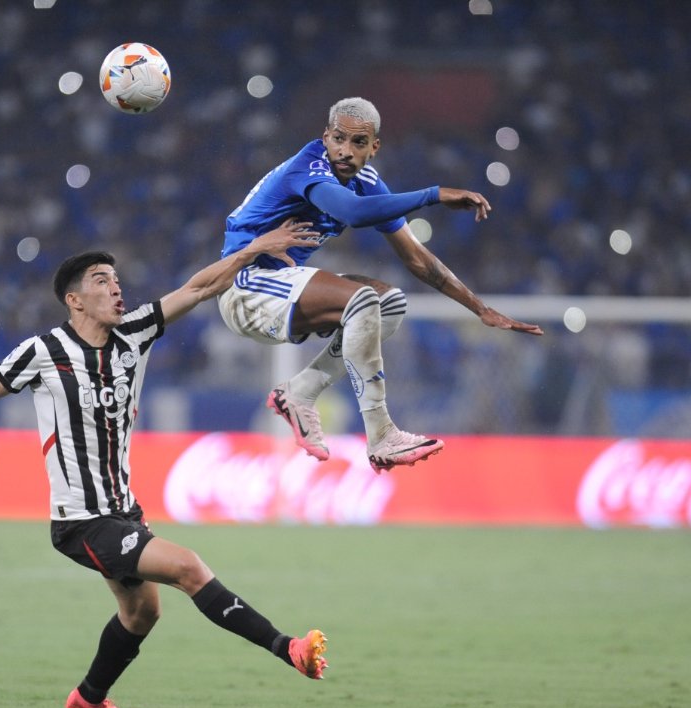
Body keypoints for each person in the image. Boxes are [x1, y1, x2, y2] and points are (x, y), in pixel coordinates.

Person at [0, 220, 326, 708]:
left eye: (117, 279)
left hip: (123, 511)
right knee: (188, 567)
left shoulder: (135, 334)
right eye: (102, 280)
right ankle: (288, 648)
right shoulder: (43, 352)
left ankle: (88, 700)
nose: (117, 288)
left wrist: (255, 249)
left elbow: (199, 288)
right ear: (75, 300)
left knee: (143, 612)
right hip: (81, 520)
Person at [219, 97, 544, 473]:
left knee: (389, 303)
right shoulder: (309, 166)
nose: (345, 150)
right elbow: (353, 213)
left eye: (358, 142)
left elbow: (417, 258)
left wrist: (480, 309)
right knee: (361, 300)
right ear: (325, 138)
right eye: (338, 138)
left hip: (279, 287)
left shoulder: (366, 182)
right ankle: (382, 434)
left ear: (374, 147)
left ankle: (299, 393)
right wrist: (433, 195)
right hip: (245, 287)